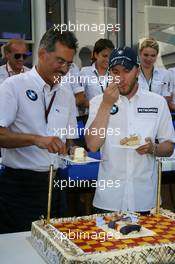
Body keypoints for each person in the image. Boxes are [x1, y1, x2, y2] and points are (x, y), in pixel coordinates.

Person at [0, 28, 78, 234]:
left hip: (57, 182)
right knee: (20, 247)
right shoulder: (12, 86)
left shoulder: (67, 95)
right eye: (60, 61)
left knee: (59, 246)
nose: (64, 69)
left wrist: (73, 151)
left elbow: (69, 141)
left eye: (69, 64)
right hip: (20, 186)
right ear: (42, 54)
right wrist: (36, 139)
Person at [85, 47, 175, 214]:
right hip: (109, 200)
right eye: (115, 71)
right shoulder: (99, 102)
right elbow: (92, 145)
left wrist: (152, 148)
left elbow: (169, 147)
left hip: (145, 200)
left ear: (137, 70)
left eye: (126, 71)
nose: (120, 77)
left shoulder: (157, 102)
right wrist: (106, 105)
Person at [79, 38, 114, 106]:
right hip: (92, 115)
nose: (108, 60)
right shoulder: (85, 72)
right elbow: (80, 99)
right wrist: (95, 106)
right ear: (96, 55)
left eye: (110, 56)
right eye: (104, 56)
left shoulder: (114, 73)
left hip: (112, 114)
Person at [138, 38, 171, 103]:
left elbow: (167, 97)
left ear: (157, 56)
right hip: (136, 111)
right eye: (146, 55)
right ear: (140, 53)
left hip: (157, 111)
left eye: (153, 55)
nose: (149, 59)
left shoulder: (164, 74)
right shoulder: (132, 72)